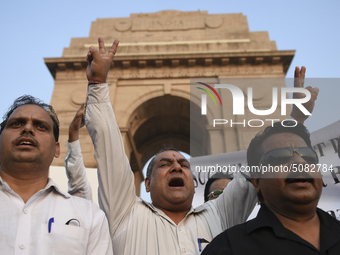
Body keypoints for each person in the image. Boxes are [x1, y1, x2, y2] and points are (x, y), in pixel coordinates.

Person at [65, 37, 319, 254]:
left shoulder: (221, 214)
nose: (177, 166)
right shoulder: (125, 212)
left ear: (192, 178)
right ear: (145, 182)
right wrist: (98, 84)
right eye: (165, 164)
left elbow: (259, 165)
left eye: (183, 164)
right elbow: (110, 150)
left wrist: (293, 122)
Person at [202, 121, 340, 254]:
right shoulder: (225, 248)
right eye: (279, 157)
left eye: (308, 155)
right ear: (256, 181)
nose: (300, 161)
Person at [0, 96, 112, 254]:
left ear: (57, 149)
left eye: (41, 127)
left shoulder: (90, 215)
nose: (27, 129)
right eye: (17, 123)